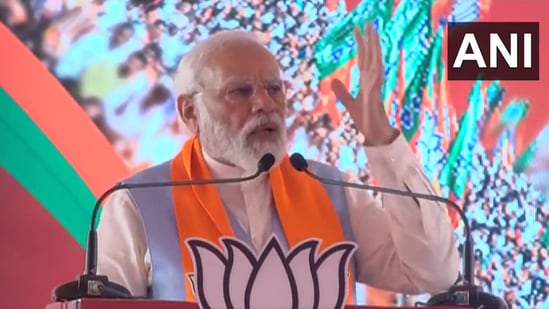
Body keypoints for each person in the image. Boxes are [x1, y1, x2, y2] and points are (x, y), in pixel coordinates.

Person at [96, 24, 460, 306]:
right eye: (239, 91)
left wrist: (382, 139)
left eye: (274, 89)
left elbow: (434, 273)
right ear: (190, 112)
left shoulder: (333, 192)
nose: (264, 104)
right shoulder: (139, 203)